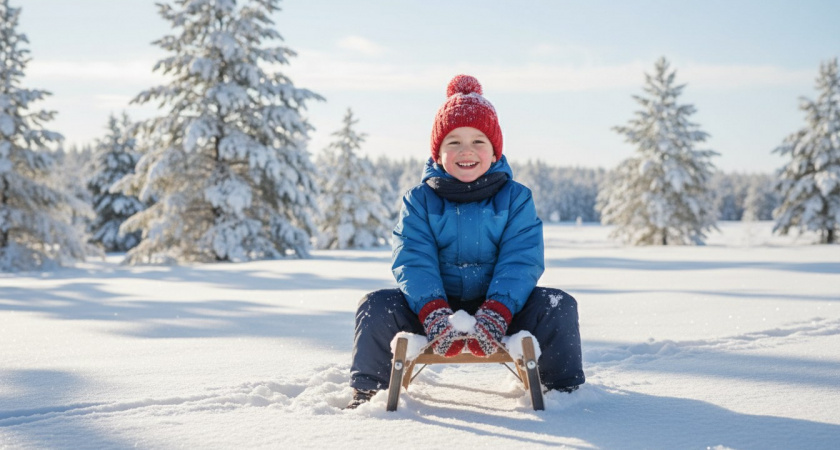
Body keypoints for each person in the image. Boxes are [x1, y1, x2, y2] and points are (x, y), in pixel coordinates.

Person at [346, 74, 585, 409]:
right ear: (438, 152)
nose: (466, 151)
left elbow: (522, 257)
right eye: (453, 142)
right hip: (432, 309)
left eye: (478, 141)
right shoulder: (419, 200)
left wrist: (499, 310)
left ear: (494, 149)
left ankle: (565, 396)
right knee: (375, 306)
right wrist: (432, 310)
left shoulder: (516, 198)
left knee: (558, 306)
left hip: (503, 307)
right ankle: (367, 396)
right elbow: (412, 258)